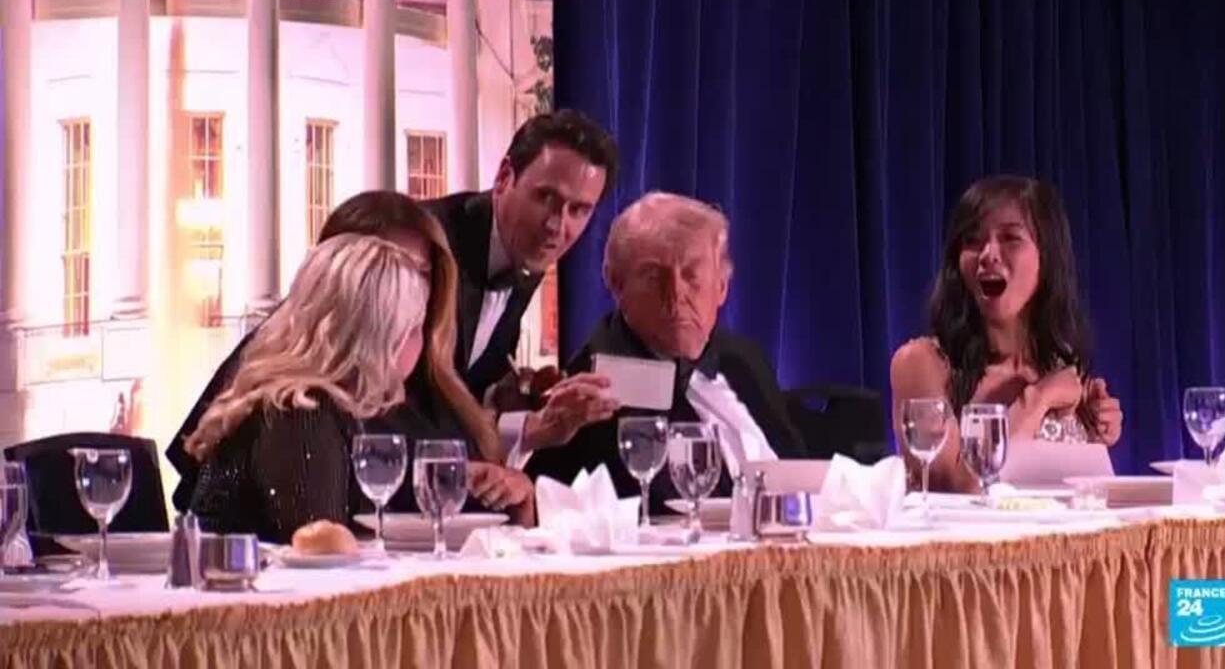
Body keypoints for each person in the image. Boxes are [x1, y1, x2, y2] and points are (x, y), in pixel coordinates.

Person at [167, 192, 529, 517]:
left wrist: (511, 490)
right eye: (385, 269)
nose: (404, 288)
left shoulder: (434, 391)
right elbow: (322, 548)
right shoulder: (300, 407)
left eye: (419, 273)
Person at [525, 193, 807, 513]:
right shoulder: (587, 393)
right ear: (616, 284)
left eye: (691, 275)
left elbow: (799, 472)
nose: (675, 295)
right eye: (653, 276)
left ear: (722, 286)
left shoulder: (745, 361)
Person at [890, 175, 1124, 494]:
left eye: (1010, 238)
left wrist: (1096, 434)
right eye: (973, 241)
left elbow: (1080, 496)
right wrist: (1037, 399)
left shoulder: (1061, 363)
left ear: (1047, 257)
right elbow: (957, 490)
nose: (988, 254)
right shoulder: (921, 363)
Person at [422, 109, 623, 468]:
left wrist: (501, 399)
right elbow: (404, 410)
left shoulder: (524, 254)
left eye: (578, 210)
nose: (556, 226)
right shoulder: (428, 244)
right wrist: (526, 430)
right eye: (545, 197)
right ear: (504, 177)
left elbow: (462, 390)